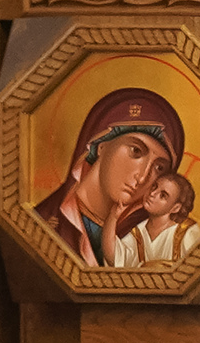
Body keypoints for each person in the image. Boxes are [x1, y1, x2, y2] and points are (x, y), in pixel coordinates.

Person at [37, 88, 185, 268]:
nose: (143, 176)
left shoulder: (150, 236)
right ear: (102, 146)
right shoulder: (40, 224)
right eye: (136, 151)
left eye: (159, 168)